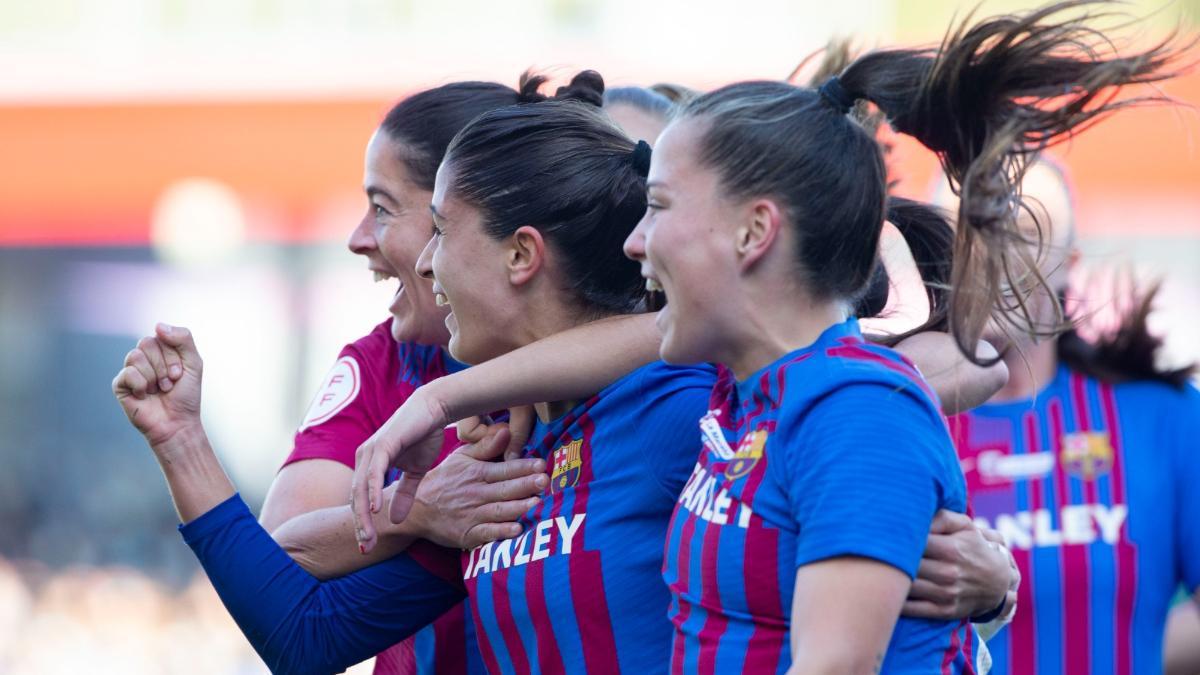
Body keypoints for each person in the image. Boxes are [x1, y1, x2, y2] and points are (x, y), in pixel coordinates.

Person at [355, 2, 1183, 671]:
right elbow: (630, 341)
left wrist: (993, 591)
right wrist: (442, 396)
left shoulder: (852, 411)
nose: (635, 241)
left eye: (661, 208)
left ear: (754, 233)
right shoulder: (741, 392)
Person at [117, 72, 1012, 674]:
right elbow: (305, 634)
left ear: (521, 255)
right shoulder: (499, 458)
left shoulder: (688, 407)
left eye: (437, 229)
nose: (420, 262)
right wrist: (183, 440)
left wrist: (987, 584)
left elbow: (887, 374)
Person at [256, 81, 551, 675]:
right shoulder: (383, 360)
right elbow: (274, 565)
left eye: (383, 207)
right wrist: (413, 510)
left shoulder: (610, 389)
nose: (358, 237)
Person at [946, 160, 1200, 675]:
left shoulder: (1163, 418)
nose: (992, 254)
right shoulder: (901, 425)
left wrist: (1137, 650)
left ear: (1069, 263)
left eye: (1020, 232)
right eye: (970, 229)